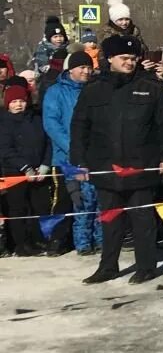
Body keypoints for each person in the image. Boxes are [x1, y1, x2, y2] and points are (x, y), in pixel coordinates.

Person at [72, 35, 163, 283]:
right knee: (111, 221)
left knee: (142, 220)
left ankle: (146, 266)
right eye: (124, 58)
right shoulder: (93, 90)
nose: (130, 63)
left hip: (141, 165)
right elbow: (79, 127)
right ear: (110, 58)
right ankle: (107, 267)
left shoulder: (150, 87)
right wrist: (78, 161)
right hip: (105, 166)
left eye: (133, 58)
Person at [42, 51, 102, 256]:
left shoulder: (94, 89)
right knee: (75, 199)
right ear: (70, 70)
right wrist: (74, 148)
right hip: (68, 156)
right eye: (82, 68)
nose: (86, 71)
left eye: (89, 67)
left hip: (94, 154)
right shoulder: (56, 92)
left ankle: (99, 239)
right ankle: (67, 240)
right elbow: (52, 123)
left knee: (97, 198)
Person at [1, 81, 60, 256]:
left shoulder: (36, 118)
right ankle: (21, 244)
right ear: (8, 104)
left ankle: (39, 239)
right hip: (16, 172)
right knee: (18, 208)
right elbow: (5, 149)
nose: (18, 105)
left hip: (39, 170)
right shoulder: (4, 122)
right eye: (14, 102)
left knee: (40, 206)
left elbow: (48, 142)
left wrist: (44, 165)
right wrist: (25, 168)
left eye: (21, 101)